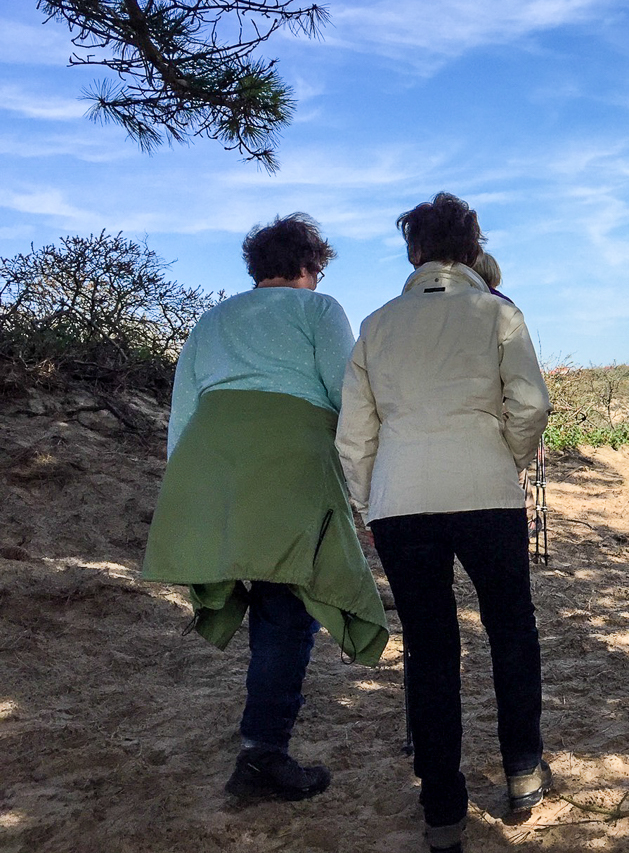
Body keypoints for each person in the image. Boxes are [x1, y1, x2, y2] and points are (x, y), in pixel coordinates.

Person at [142, 214, 388, 802]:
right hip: (288, 461)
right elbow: (346, 395)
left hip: (212, 465)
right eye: (318, 269)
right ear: (308, 265)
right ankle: (262, 755)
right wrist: (369, 483)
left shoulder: (212, 319)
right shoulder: (319, 309)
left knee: (266, 597)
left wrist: (187, 491)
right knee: (287, 604)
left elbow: (184, 411)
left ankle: (261, 741)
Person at [337, 193, 551, 851]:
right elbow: (531, 404)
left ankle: (441, 807)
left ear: (414, 251)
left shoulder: (376, 325)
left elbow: (354, 435)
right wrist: (507, 457)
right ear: (471, 247)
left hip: (401, 501)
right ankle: (522, 770)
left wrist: (367, 502)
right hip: (487, 491)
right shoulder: (499, 314)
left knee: (429, 650)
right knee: (511, 630)